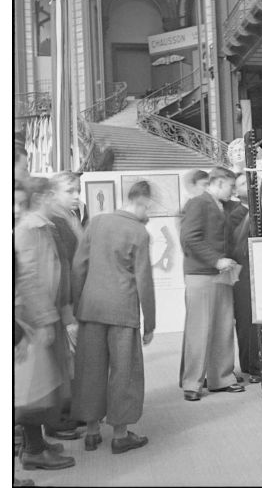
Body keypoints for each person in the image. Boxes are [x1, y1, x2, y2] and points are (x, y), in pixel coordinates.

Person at [71, 181, 156, 454]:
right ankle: (120, 434)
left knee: (90, 369)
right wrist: (150, 324)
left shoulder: (96, 222)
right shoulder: (139, 232)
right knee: (125, 372)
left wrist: (77, 304)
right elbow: (144, 281)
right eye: (150, 207)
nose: (150, 213)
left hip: (91, 308)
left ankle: (93, 431)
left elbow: (78, 266)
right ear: (141, 202)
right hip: (122, 311)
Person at [15, 177, 75, 470]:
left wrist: (60, 309)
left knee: (42, 384)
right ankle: (33, 451)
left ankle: (35, 444)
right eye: (53, 196)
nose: (57, 201)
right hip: (30, 319)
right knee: (32, 388)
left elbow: (54, 271)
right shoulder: (27, 230)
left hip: (44, 313)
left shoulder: (43, 227)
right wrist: (44, 319)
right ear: (42, 197)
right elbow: (26, 280)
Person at [179, 167, 245, 401]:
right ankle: (192, 383)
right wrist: (215, 260)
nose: (233, 191)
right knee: (200, 329)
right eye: (230, 186)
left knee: (223, 327)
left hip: (221, 273)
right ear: (217, 183)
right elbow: (189, 238)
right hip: (202, 274)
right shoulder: (198, 203)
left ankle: (222, 378)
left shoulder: (223, 205)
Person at [43, 172, 84, 441]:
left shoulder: (69, 217)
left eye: (77, 190)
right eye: (70, 191)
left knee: (70, 358)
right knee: (60, 360)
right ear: (53, 192)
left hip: (72, 297)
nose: (77, 195)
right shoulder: (53, 221)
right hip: (61, 299)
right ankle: (58, 417)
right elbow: (59, 266)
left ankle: (70, 410)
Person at [231, 173, 261, 382]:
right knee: (245, 322)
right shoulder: (234, 213)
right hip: (243, 274)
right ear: (235, 191)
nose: (248, 185)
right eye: (242, 183)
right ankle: (251, 367)